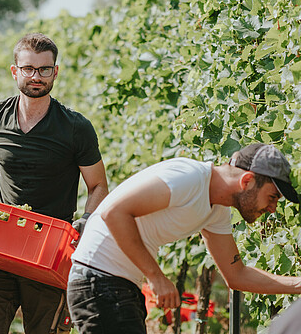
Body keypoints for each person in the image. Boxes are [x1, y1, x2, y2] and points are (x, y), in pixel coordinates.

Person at [0, 33, 109, 334]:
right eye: (28, 69)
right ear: (14, 71)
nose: (37, 76)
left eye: (45, 69)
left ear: (55, 72)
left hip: (50, 253)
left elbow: (98, 185)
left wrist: (85, 220)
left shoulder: (75, 128)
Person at [67, 143, 301, 334]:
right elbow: (113, 212)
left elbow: (237, 275)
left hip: (117, 286)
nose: (272, 208)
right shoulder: (188, 178)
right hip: (99, 281)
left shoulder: (217, 211)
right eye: (272, 197)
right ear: (247, 181)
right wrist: (156, 277)